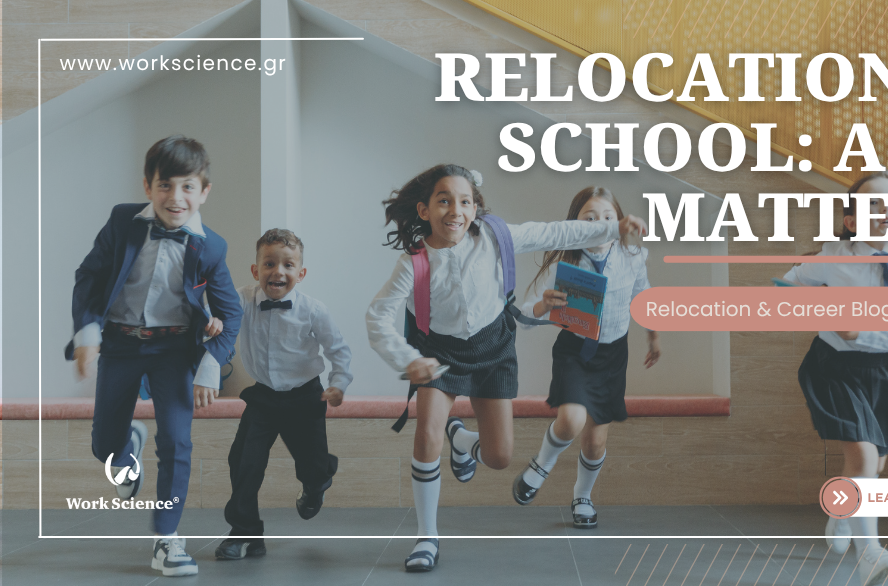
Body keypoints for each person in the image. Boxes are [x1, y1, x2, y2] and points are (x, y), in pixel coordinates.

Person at [366, 165, 647, 572]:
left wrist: (612, 228)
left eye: (465, 201)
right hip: (438, 354)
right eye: (444, 200)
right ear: (424, 210)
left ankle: (462, 441)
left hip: (493, 347)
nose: (455, 210)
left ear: (476, 208)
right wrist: (407, 360)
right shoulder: (414, 263)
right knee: (427, 434)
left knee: (499, 457)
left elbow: (557, 233)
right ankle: (427, 537)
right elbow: (378, 316)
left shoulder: (497, 238)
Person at [68, 135, 242, 577]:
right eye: (165, 185)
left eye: (187, 187)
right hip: (121, 344)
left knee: (177, 443)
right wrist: (87, 332)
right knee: (103, 445)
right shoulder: (123, 221)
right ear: (148, 186)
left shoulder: (212, 247)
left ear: (204, 191)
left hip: (174, 349)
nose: (175, 197)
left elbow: (231, 312)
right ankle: (127, 448)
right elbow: (88, 276)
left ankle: (167, 539)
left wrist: (208, 365)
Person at [783, 171, 888, 586]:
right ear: (850, 222)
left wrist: (860, 328)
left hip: (885, 372)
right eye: (873, 205)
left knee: (872, 464)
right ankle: (870, 554)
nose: (886, 211)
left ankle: (840, 512)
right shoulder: (833, 257)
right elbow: (785, 290)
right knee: (864, 459)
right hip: (833, 368)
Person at [511, 186, 661, 529]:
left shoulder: (632, 254)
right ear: (575, 224)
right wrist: (544, 305)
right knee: (571, 421)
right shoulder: (568, 261)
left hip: (612, 355)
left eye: (608, 218)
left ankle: (583, 495)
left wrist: (653, 337)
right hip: (574, 352)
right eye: (589, 218)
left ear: (620, 221)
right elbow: (529, 315)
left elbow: (643, 294)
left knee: (595, 441)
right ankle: (540, 466)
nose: (599, 224)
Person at [214, 229, 352, 561]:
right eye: (270, 263)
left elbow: (339, 350)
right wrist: (213, 320)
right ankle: (245, 533)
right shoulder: (243, 299)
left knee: (313, 465)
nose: (279, 271)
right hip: (263, 397)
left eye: (288, 265)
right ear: (255, 270)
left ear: (300, 274)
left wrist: (339, 383)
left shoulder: (313, 310)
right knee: (243, 461)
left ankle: (318, 481)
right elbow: (216, 309)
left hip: (306, 397)